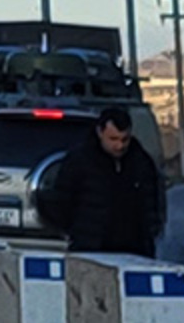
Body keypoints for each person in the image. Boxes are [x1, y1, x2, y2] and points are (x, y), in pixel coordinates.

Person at [41, 107, 164, 257]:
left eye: (124, 139)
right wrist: (76, 232)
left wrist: (152, 230)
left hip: (134, 249)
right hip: (91, 247)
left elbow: (153, 201)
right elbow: (61, 201)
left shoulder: (140, 162)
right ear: (100, 132)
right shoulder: (80, 161)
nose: (119, 146)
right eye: (113, 139)